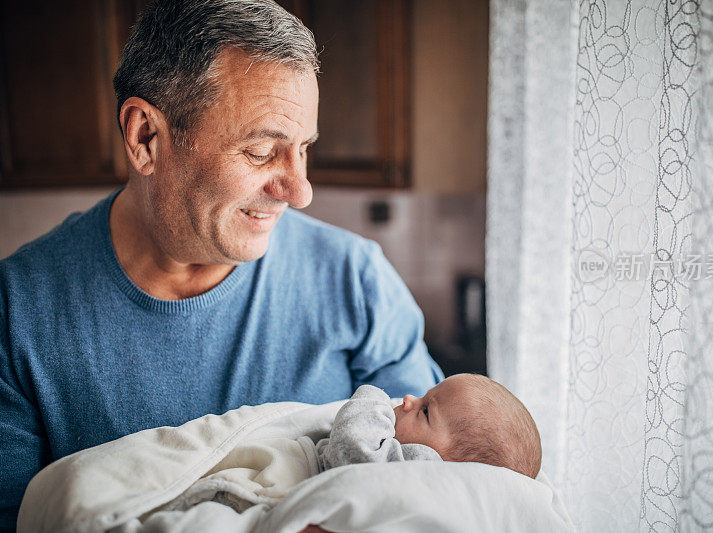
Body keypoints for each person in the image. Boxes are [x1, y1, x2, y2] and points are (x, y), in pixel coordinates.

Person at [0, 0, 442, 529]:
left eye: (304, 149)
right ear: (146, 136)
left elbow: (433, 492)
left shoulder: (356, 281)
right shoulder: (16, 314)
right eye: (261, 151)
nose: (299, 191)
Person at [318, 374, 542, 479]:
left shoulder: (423, 470)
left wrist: (370, 396)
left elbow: (353, 450)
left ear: (452, 464)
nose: (408, 399)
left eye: (425, 410)